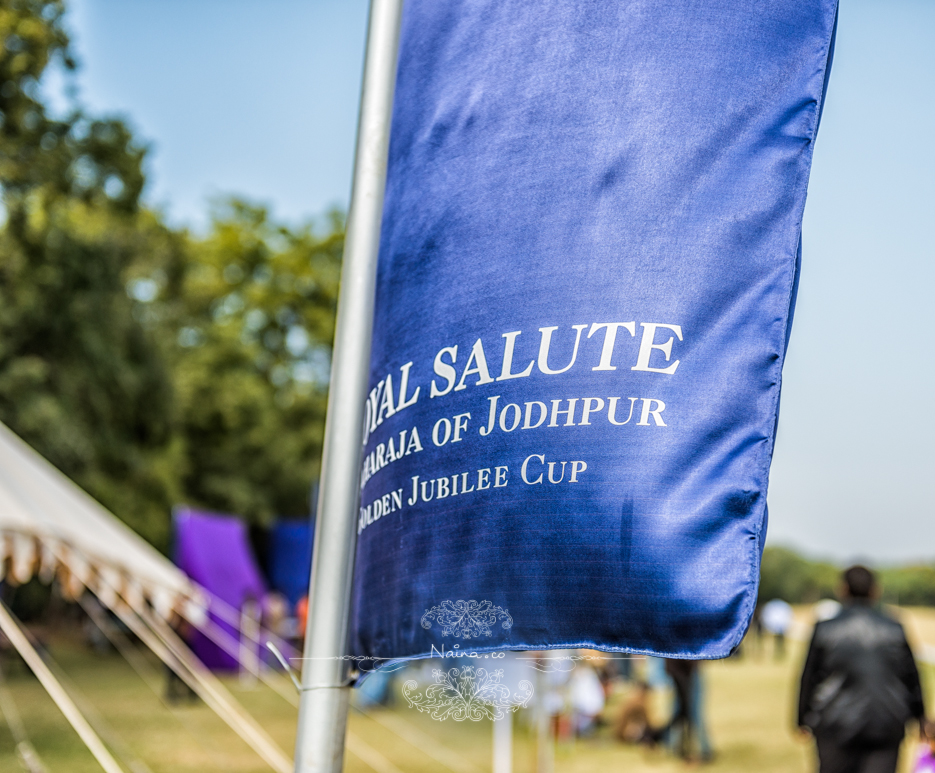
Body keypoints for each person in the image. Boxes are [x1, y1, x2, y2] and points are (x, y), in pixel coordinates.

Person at [798, 565, 926, 773]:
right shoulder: (895, 628)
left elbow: (809, 677)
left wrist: (801, 717)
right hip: (886, 721)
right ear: (875, 590)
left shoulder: (825, 628)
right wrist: (920, 716)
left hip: (834, 723)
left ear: (843, 589)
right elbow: (911, 676)